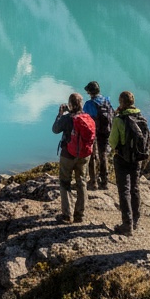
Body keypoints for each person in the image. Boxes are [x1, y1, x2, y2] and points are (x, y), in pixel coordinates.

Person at [51, 92, 91, 223]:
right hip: (84, 155)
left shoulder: (67, 118)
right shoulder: (86, 117)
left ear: (70, 104)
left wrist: (60, 114)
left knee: (65, 182)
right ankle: (80, 214)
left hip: (68, 155)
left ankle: (67, 215)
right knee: (82, 182)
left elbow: (55, 129)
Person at [109, 90, 144, 234]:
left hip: (122, 158)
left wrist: (115, 116)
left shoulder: (119, 119)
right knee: (135, 188)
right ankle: (135, 220)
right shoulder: (140, 116)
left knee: (124, 190)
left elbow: (112, 142)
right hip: (137, 158)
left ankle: (127, 224)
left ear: (121, 103)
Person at [83, 80, 113, 191]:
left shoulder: (89, 104)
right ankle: (104, 181)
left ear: (89, 92)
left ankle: (93, 181)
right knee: (103, 155)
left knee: (92, 156)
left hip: (93, 133)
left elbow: (84, 118)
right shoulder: (107, 100)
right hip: (106, 131)